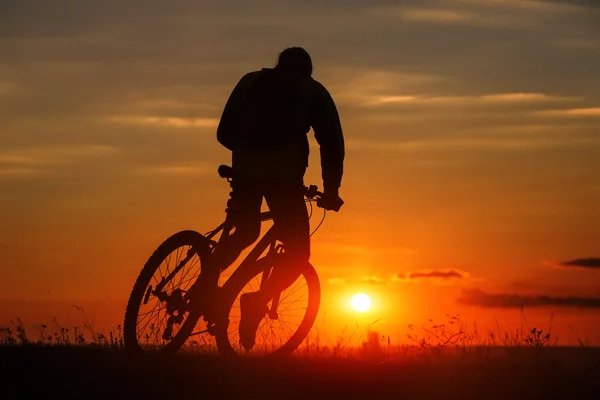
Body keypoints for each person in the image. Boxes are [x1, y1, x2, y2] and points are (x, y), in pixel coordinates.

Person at [213, 47, 345, 350]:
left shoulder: (250, 81)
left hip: (244, 170)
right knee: (298, 252)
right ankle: (257, 303)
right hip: (284, 180)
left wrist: (248, 151)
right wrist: (332, 190)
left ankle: (207, 283)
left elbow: (223, 133)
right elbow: (332, 143)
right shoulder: (313, 92)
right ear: (308, 70)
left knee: (245, 231)